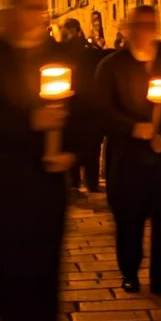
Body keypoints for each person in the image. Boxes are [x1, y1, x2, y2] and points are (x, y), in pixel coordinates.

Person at [0, 0, 79, 321]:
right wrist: (31, 120)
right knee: (14, 270)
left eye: (41, 8)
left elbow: (83, 113)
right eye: (29, 7)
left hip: (48, 186)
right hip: (4, 185)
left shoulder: (60, 58)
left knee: (47, 269)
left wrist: (71, 151)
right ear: (15, 11)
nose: (37, 15)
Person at [96, 5, 161, 300]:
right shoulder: (111, 66)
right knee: (128, 219)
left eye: (150, 25)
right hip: (127, 158)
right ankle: (129, 272)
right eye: (139, 25)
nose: (145, 31)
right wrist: (133, 128)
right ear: (128, 29)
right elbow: (101, 110)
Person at [59, 18, 105, 194]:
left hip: (70, 105)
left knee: (72, 144)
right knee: (91, 146)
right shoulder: (91, 52)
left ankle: (74, 181)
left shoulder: (62, 52)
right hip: (89, 106)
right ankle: (91, 182)